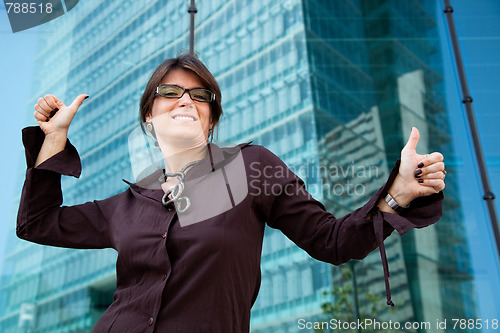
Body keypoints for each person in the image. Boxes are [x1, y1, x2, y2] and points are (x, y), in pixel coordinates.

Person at [17, 53, 445, 332]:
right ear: (150, 115)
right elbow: (36, 223)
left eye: (199, 95)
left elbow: (331, 241)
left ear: (211, 120)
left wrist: (396, 196)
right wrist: (53, 139)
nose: (185, 99)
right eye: (170, 92)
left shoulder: (251, 167)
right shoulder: (125, 206)